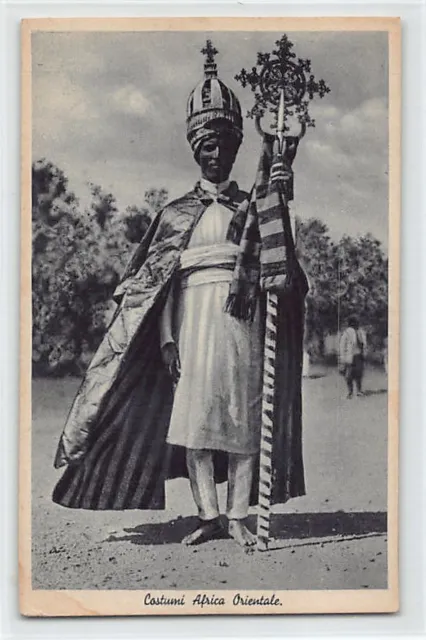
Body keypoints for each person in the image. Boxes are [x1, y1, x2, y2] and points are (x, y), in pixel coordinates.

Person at [52, 41, 308, 547]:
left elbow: (279, 258)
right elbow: (161, 285)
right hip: (192, 327)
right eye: (207, 147)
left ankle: (238, 513)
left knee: (242, 419)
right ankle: (208, 512)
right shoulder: (173, 214)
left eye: (224, 146)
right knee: (195, 421)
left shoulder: (253, 208)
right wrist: (167, 340)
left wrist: (280, 184)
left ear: (236, 149)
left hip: (244, 322)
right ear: (195, 150)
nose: (216, 154)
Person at [339, 316, 367, 398]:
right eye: (354, 323)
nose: (356, 324)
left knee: (359, 374)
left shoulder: (360, 332)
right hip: (350, 357)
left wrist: (364, 352)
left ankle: (359, 390)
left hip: (358, 355)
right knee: (349, 375)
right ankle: (350, 391)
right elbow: (342, 346)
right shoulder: (347, 333)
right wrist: (342, 357)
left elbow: (364, 343)